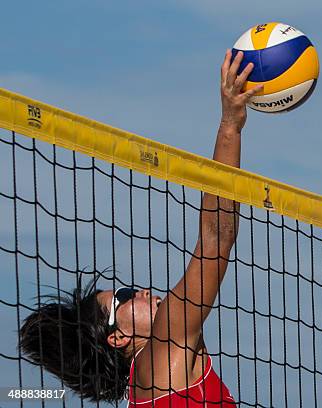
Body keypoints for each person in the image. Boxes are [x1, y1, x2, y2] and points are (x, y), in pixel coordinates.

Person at [19, 50, 263, 406]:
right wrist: (230, 124)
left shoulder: (146, 385)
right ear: (117, 338)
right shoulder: (165, 347)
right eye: (125, 296)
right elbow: (215, 240)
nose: (143, 292)